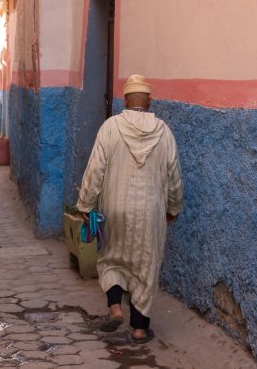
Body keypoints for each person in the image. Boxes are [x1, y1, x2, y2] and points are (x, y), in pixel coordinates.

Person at [76, 74, 184, 344]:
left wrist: (86, 205)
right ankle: (139, 329)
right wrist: (174, 208)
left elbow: (95, 170)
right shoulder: (164, 132)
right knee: (146, 267)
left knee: (112, 259)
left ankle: (114, 308)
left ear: (124, 101)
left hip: (116, 209)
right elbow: (174, 177)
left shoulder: (110, 128)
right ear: (150, 101)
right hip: (151, 213)